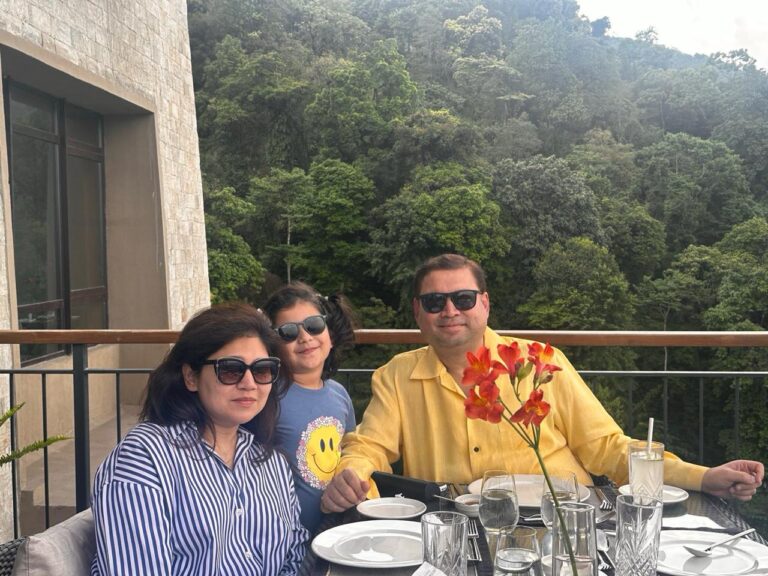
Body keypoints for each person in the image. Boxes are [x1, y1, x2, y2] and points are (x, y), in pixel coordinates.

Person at [321, 253, 765, 513]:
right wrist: (351, 474)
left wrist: (703, 477)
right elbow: (370, 447)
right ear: (418, 313)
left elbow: (607, 449)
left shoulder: (537, 361)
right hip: (459, 524)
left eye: (463, 298)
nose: (450, 311)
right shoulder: (398, 374)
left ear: (485, 304)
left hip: (562, 521)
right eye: (435, 302)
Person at [90, 303, 309, 576]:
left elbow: (294, 556)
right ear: (191, 376)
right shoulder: (145, 457)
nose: (249, 383)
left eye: (262, 370)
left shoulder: (269, 462)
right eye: (230, 369)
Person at [262, 282, 357, 534]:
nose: (305, 338)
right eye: (288, 332)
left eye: (314, 325)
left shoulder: (339, 394)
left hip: (336, 528)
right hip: (286, 537)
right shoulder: (266, 397)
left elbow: (349, 453)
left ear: (331, 334)